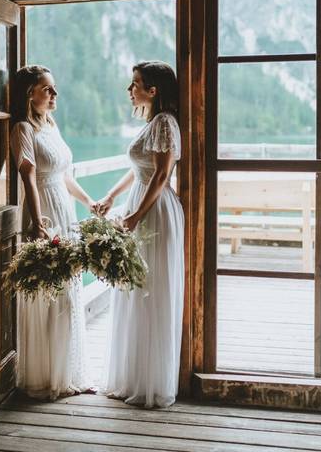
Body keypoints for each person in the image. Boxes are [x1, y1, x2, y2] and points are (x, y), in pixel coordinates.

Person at [95, 61, 185, 408]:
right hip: (142, 205)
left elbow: (161, 175)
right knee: (135, 289)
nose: (129, 90)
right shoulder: (154, 123)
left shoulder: (164, 122)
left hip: (154, 210)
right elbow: (140, 170)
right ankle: (133, 375)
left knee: (150, 290)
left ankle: (150, 382)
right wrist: (112, 197)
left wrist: (134, 217)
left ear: (153, 90)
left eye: (135, 84)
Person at [10, 64, 96, 399]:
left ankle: (68, 372)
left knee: (67, 287)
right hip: (44, 209)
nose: (54, 94)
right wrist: (38, 220)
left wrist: (90, 202)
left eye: (54, 87)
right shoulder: (22, 129)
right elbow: (28, 177)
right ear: (29, 94)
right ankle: (44, 376)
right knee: (48, 292)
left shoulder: (51, 125)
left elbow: (65, 175)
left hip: (65, 207)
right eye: (47, 89)